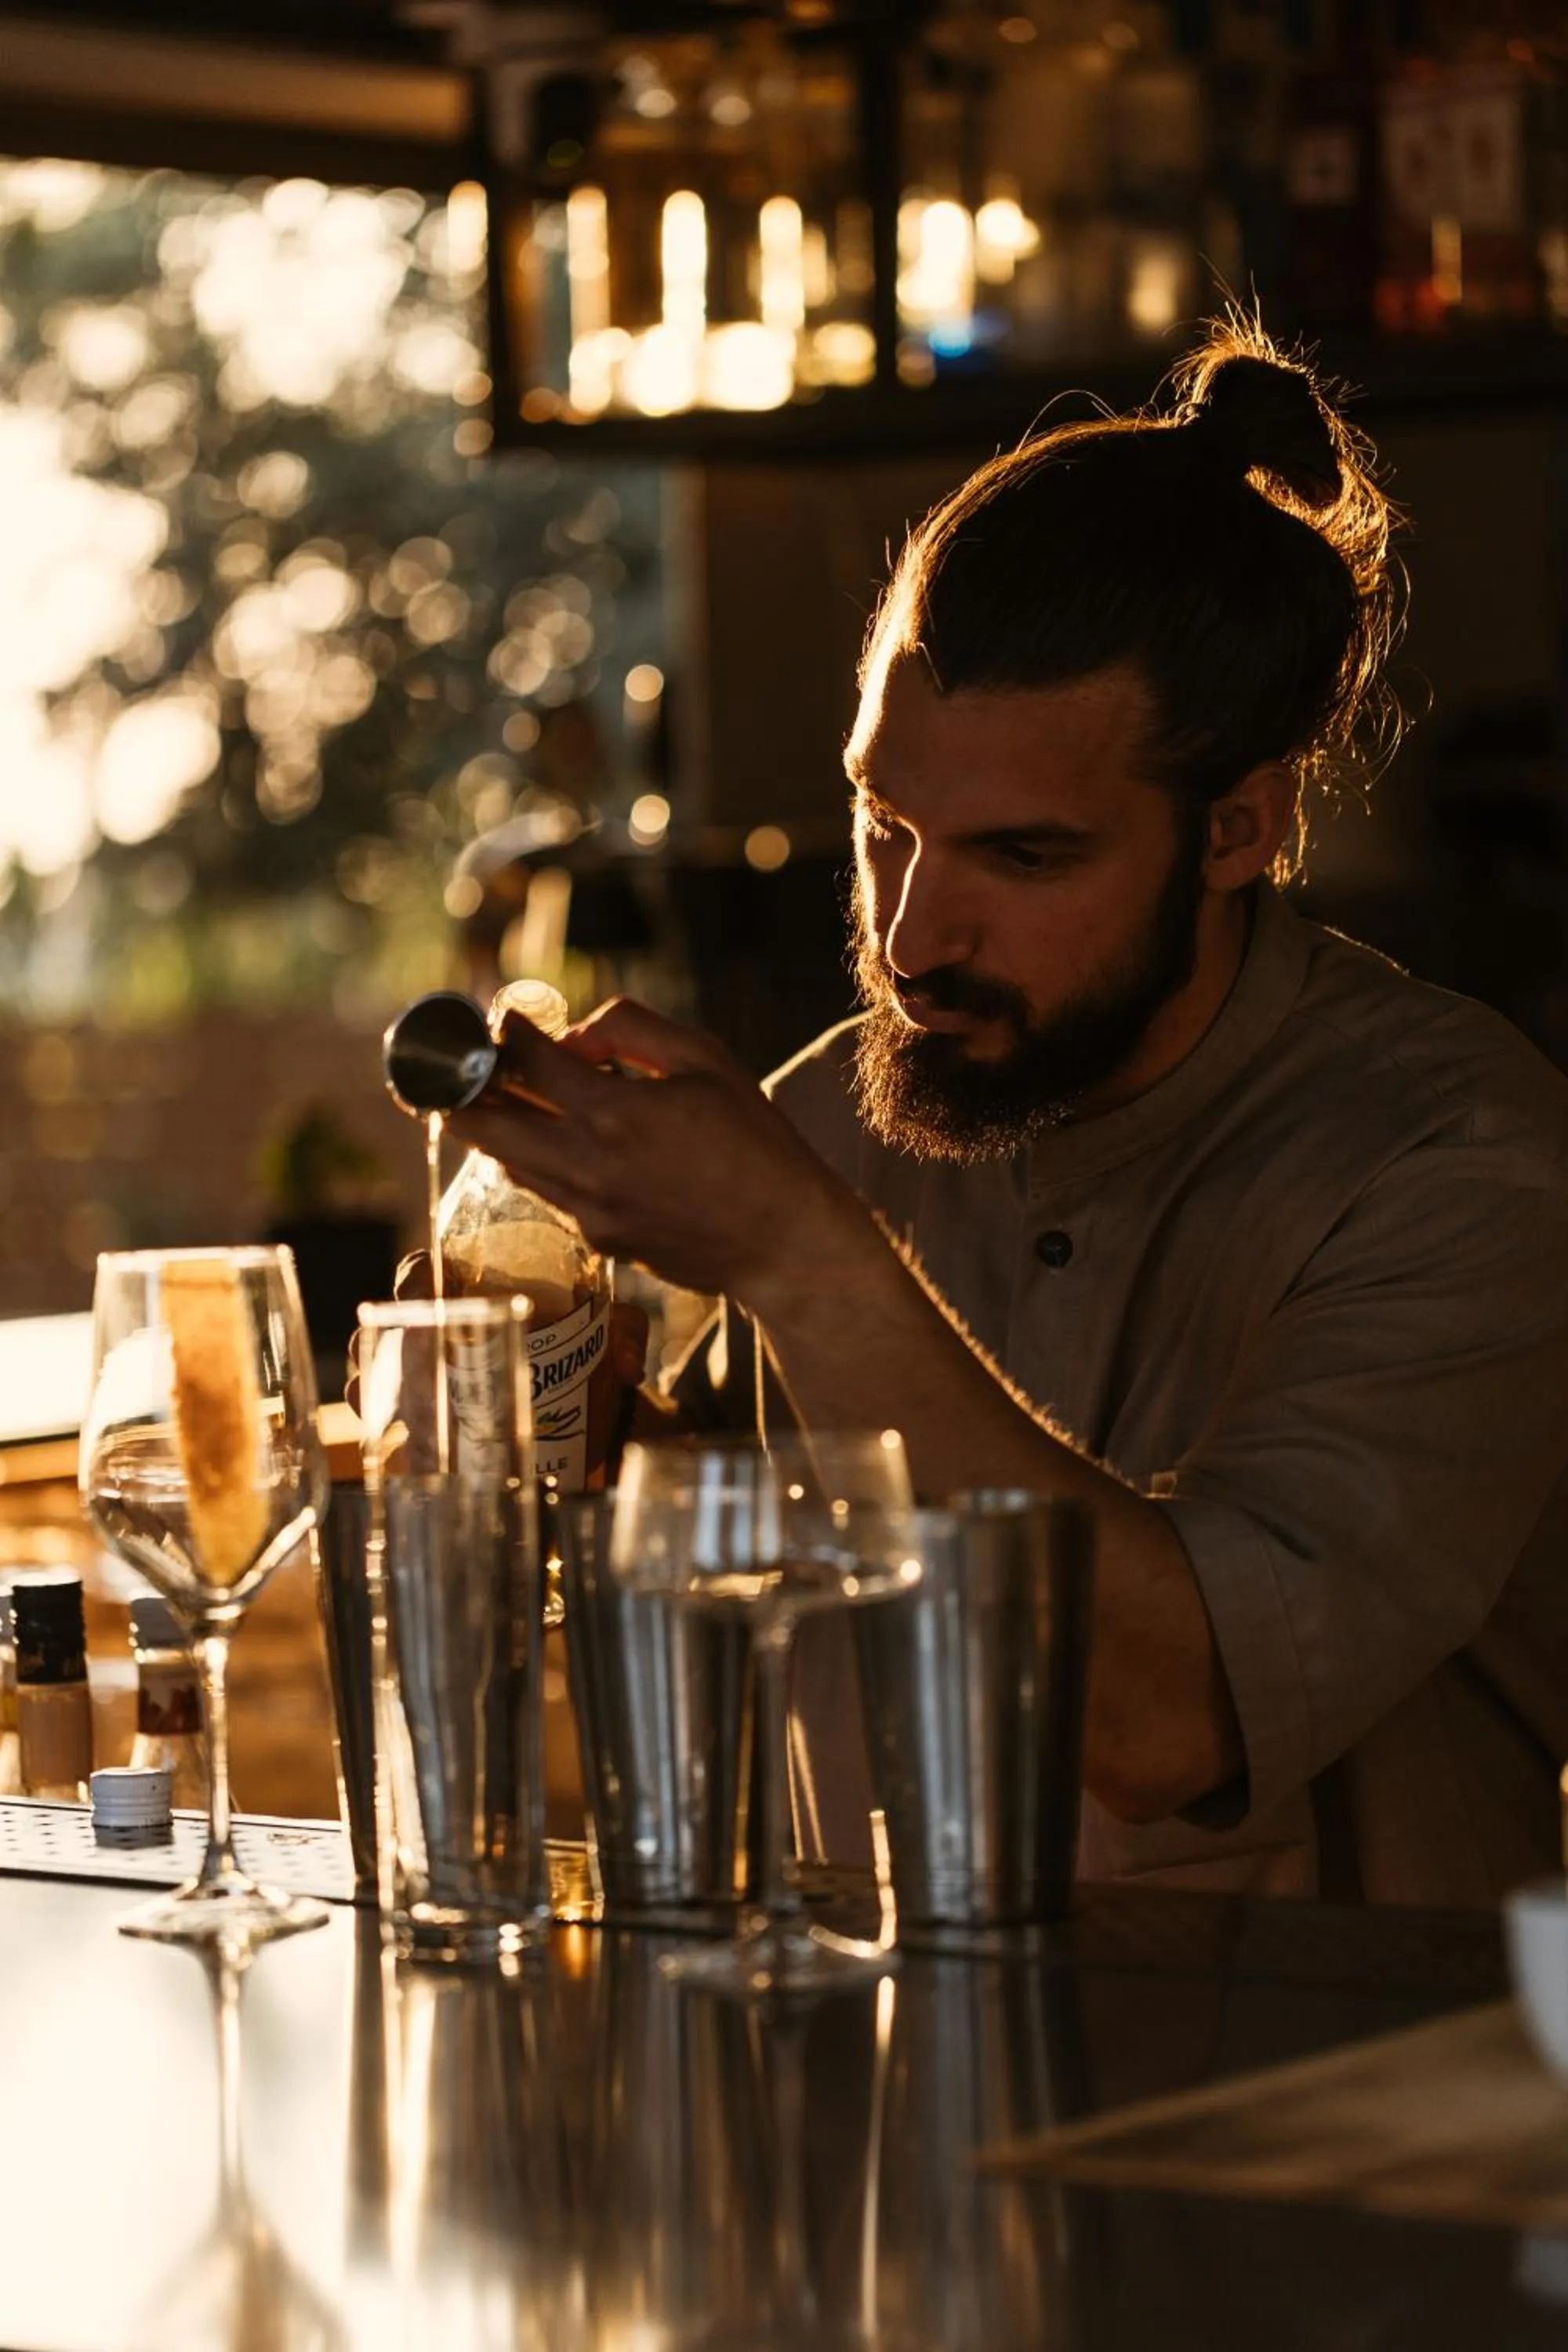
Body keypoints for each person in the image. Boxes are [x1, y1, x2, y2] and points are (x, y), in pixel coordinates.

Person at [450, 318, 1568, 1907]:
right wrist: (550, 1420)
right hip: (877, 2104)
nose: (909, 940)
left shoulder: (1463, 1165)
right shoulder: (819, 1122)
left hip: (1334, 2121)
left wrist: (799, 1255)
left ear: (1241, 827)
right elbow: (675, 1581)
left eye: (1022, 858)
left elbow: (1169, 1723)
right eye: (882, 826)